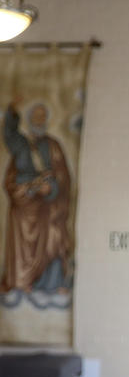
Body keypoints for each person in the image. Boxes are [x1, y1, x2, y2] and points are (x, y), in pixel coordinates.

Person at [1, 99, 73, 293]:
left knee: (55, 234)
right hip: (24, 207)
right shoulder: (21, 146)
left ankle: (52, 282)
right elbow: (10, 181)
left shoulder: (54, 146)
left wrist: (51, 190)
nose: (39, 120)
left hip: (48, 209)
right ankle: (20, 282)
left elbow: (64, 179)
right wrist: (29, 189)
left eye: (43, 117)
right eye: (35, 116)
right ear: (29, 119)